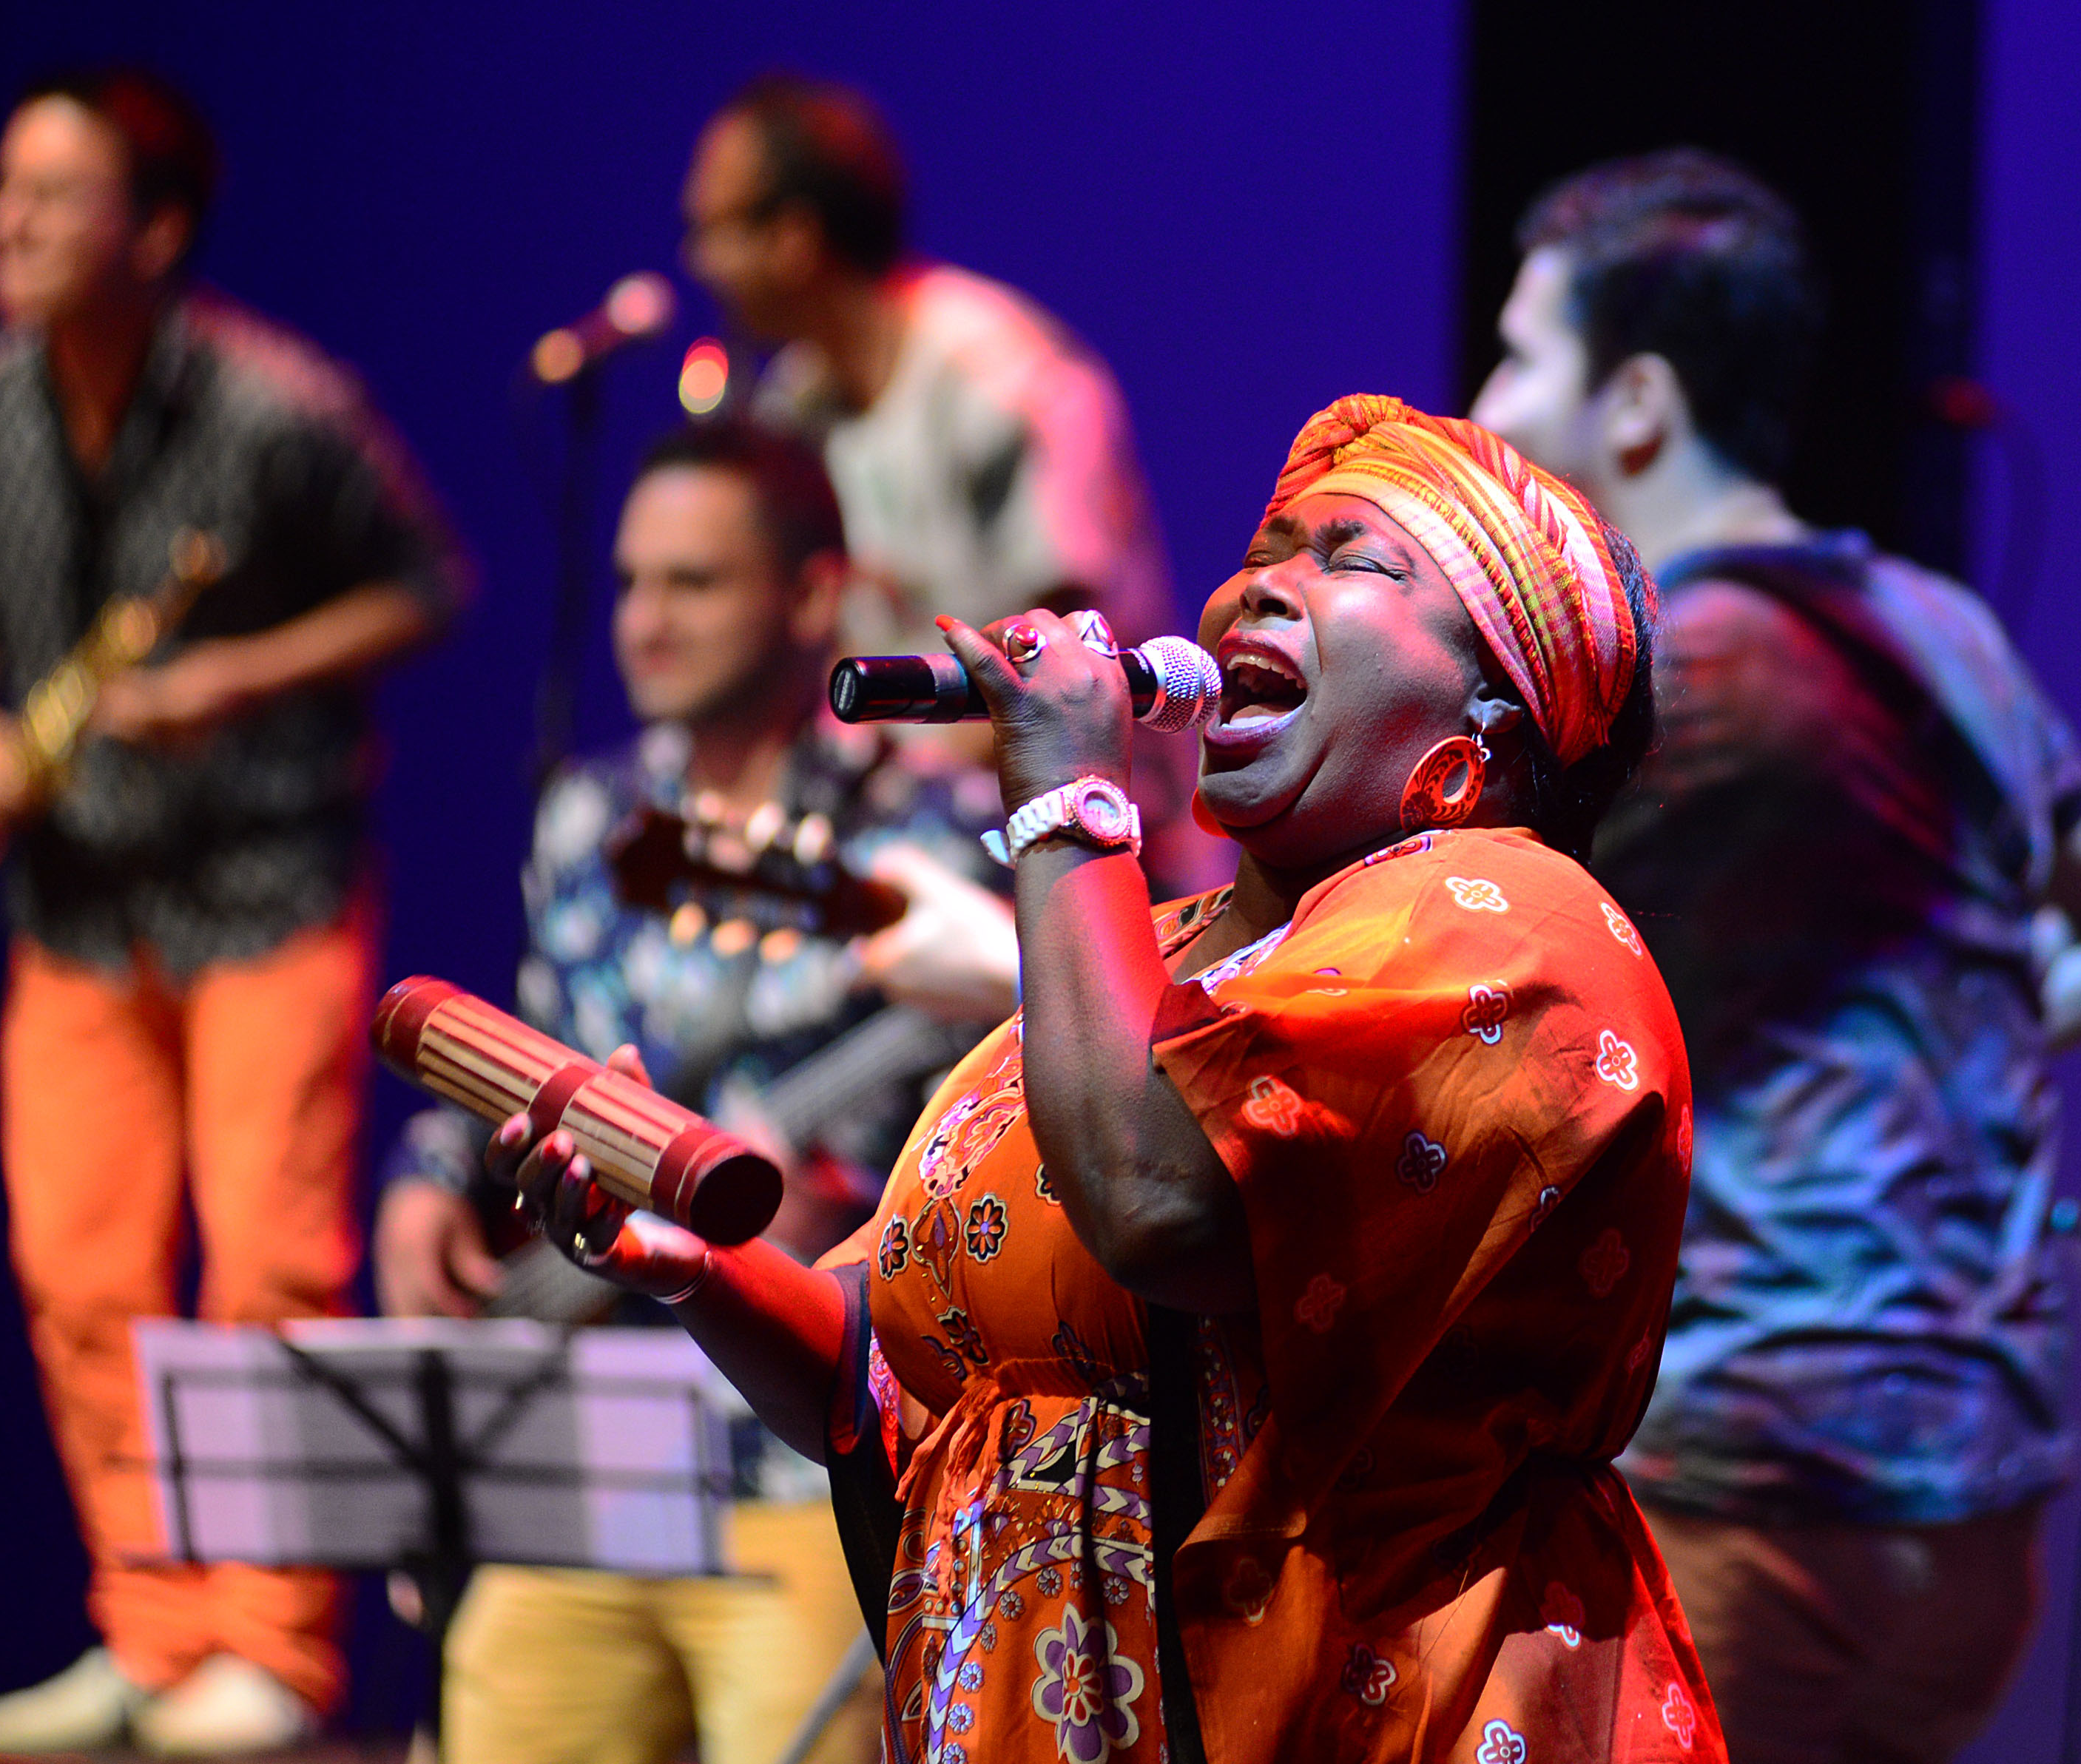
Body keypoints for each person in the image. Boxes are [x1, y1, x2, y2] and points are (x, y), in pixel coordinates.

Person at [495, 397, 1725, 1763]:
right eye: (1264, 549)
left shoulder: (1513, 923)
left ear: (1497, 703)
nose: (1259, 585)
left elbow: (1159, 1201)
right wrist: (693, 1267)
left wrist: (1067, 802)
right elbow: (880, 1368)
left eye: (1352, 560)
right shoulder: (1154, 959)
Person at [1469, 149, 2081, 1763]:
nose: (1485, 408)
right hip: (1973, 1514)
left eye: (1520, 358)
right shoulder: (1941, 626)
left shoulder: (1666, 669)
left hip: (1752, 1487)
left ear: (1637, 401)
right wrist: (1917, 1046)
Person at [0, 69, 463, 1754]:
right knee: (80, 1269)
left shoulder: (281, 409)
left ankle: (273, 1649)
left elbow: (423, 585)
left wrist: (238, 675)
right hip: (78, 899)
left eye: (54, 193)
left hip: (265, 884)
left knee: (269, 1270)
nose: (8, 221)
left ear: (154, 231)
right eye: (4, 187)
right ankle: (149, 1629)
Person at [374, 420, 1017, 1764]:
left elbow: (1008, 1128)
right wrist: (431, 1174)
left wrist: (860, 1214)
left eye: (694, 582)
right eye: (628, 583)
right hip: (587, 1445)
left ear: (812, 596)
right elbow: (551, 1050)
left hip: (798, 1461)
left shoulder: (934, 839)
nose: (645, 620)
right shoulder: (591, 813)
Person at [679, 72, 1221, 890]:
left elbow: (1069, 662)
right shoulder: (792, 408)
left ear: (793, 237)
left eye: (713, 231)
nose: (698, 263)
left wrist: (884, 783)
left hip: (1093, 850)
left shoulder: (1001, 380)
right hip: (900, 837)